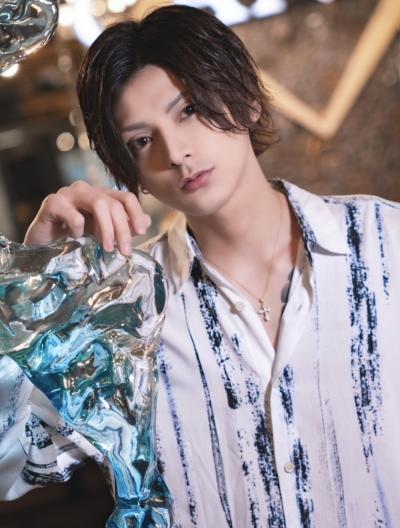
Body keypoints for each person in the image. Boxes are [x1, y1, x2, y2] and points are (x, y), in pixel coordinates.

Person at [1, 4, 400, 527]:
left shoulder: (385, 242)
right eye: (142, 140)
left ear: (248, 100)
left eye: (187, 110)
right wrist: (34, 296)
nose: (175, 152)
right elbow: (11, 464)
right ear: (131, 171)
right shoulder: (123, 310)